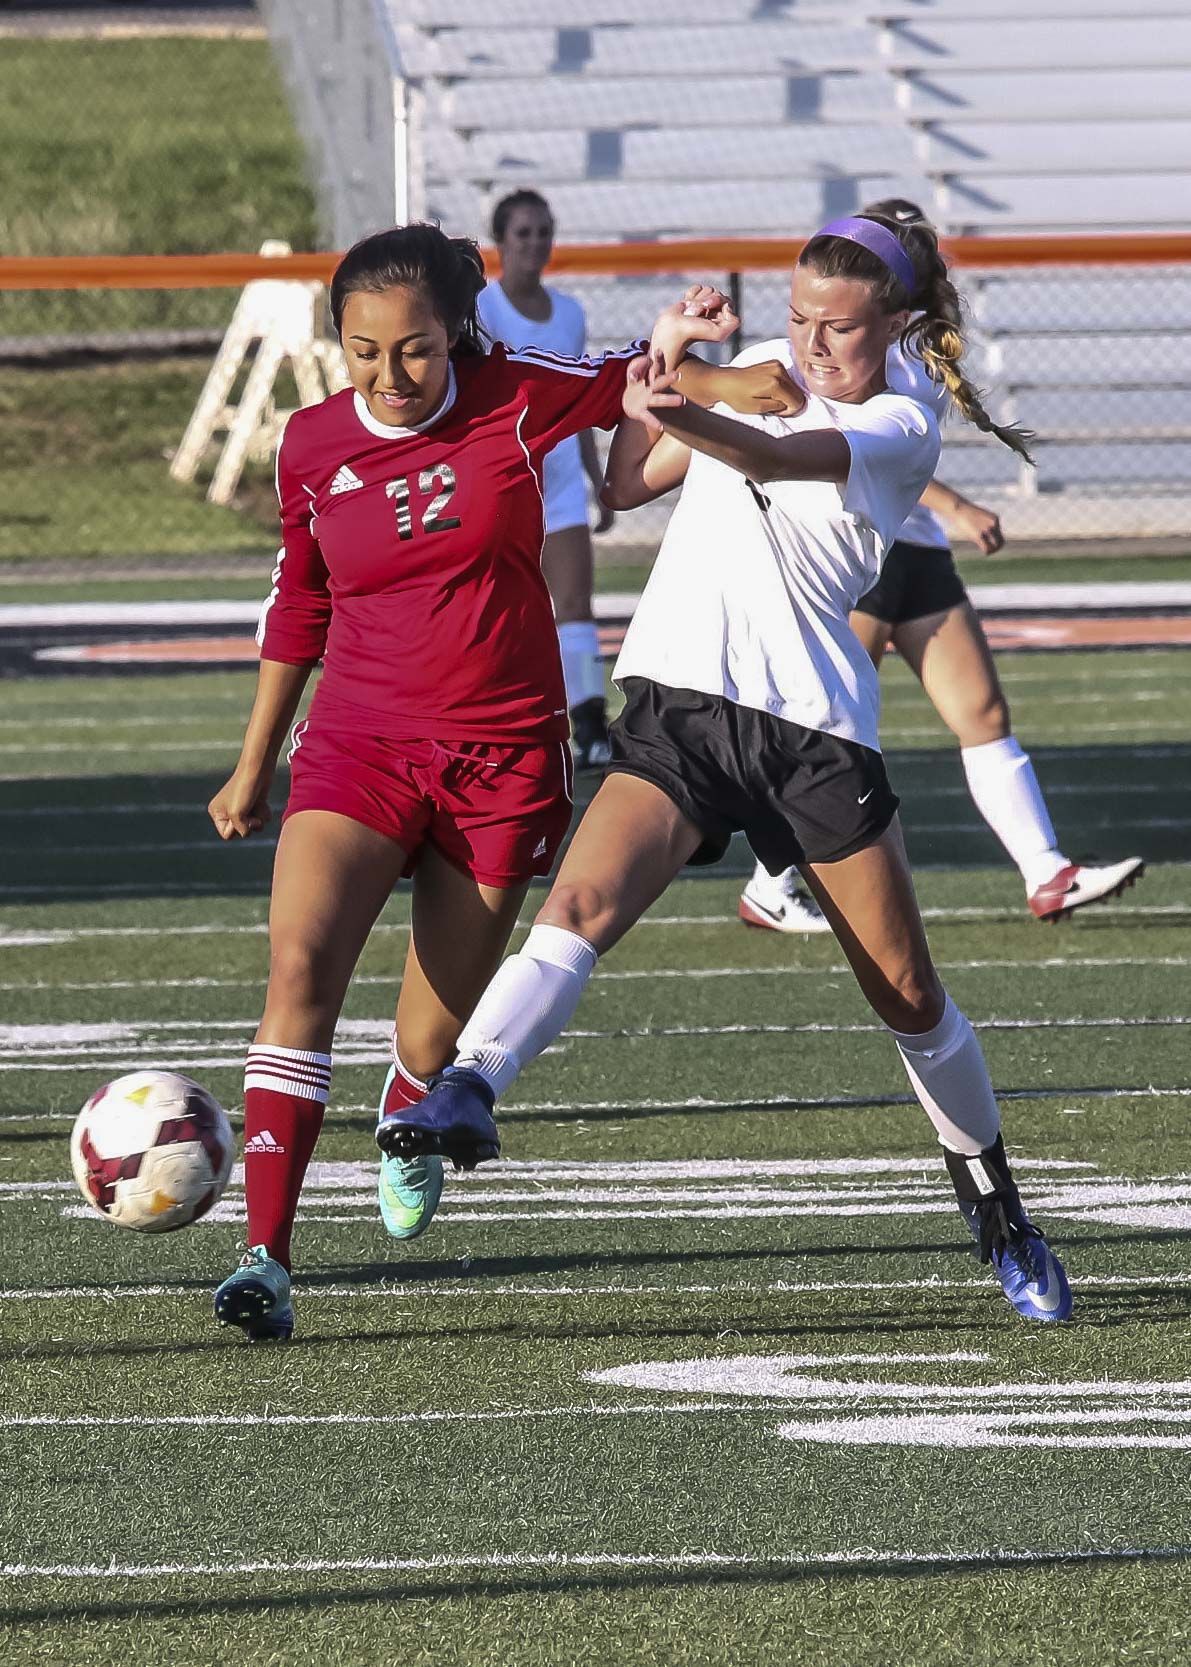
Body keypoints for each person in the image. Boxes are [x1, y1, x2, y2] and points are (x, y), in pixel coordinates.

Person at [381, 212, 1074, 1324]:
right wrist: (674, 360)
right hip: (683, 700)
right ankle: (469, 1086)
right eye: (798, 318)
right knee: (581, 900)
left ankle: (1000, 1212)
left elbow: (778, 450)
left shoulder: (902, 415)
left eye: (838, 328)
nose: (811, 343)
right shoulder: (758, 372)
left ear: (894, 324)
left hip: (813, 731)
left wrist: (692, 378)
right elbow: (621, 480)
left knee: (907, 996)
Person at [205, 223, 648, 1341]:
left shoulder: (513, 398)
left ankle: (408, 1102)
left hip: (502, 762)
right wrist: (257, 760)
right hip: (357, 743)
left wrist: (750, 365)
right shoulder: (309, 445)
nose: (388, 376)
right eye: (361, 351)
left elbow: (641, 379)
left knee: (424, 1040)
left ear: (456, 336)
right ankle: (267, 1255)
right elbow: (300, 600)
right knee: (301, 962)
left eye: (412, 352)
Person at [737, 198, 1143, 935]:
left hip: (914, 552)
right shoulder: (856, 341)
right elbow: (865, 448)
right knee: (824, 730)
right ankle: (769, 879)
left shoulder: (915, 342)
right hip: (861, 549)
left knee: (981, 711)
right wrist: (957, 505)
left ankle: (1045, 870)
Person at [477, 188, 617, 771]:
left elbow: (579, 406)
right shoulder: (482, 310)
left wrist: (596, 480)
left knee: (575, 607)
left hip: (557, 485)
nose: (534, 243)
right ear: (501, 243)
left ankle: (589, 726)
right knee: (496, 611)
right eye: (523, 233)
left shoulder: (570, 314)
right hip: (503, 483)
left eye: (542, 231)